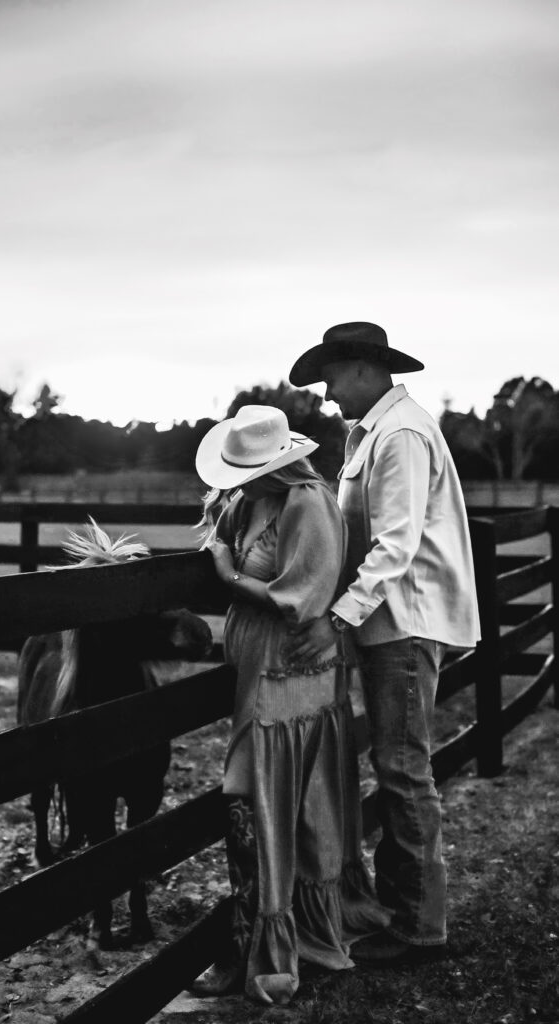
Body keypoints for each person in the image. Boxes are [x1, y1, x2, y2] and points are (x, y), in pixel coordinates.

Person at [287, 321, 481, 965]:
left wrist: (336, 619)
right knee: (400, 766)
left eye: (334, 378)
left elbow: (394, 543)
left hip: (402, 622)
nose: (329, 393)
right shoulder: (379, 430)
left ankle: (419, 927)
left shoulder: (397, 434)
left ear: (366, 370)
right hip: (395, 619)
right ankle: (406, 912)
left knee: (402, 768)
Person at [191, 404, 391, 1006]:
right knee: (264, 804)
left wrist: (229, 579)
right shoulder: (247, 501)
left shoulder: (307, 501)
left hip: (292, 676)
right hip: (259, 671)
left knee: (265, 800)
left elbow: (300, 600)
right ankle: (269, 933)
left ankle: (275, 943)